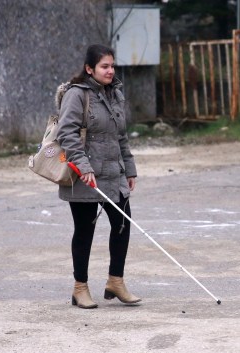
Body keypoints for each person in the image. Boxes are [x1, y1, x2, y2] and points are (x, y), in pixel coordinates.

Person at [56, 44, 141, 309]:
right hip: (85, 175)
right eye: (104, 66)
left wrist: (129, 169)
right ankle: (80, 288)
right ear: (89, 69)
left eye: (112, 66)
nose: (110, 70)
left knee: (122, 224)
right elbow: (66, 133)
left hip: (113, 174)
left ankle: (116, 281)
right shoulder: (77, 95)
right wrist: (84, 167)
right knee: (84, 231)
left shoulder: (115, 93)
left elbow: (121, 136)